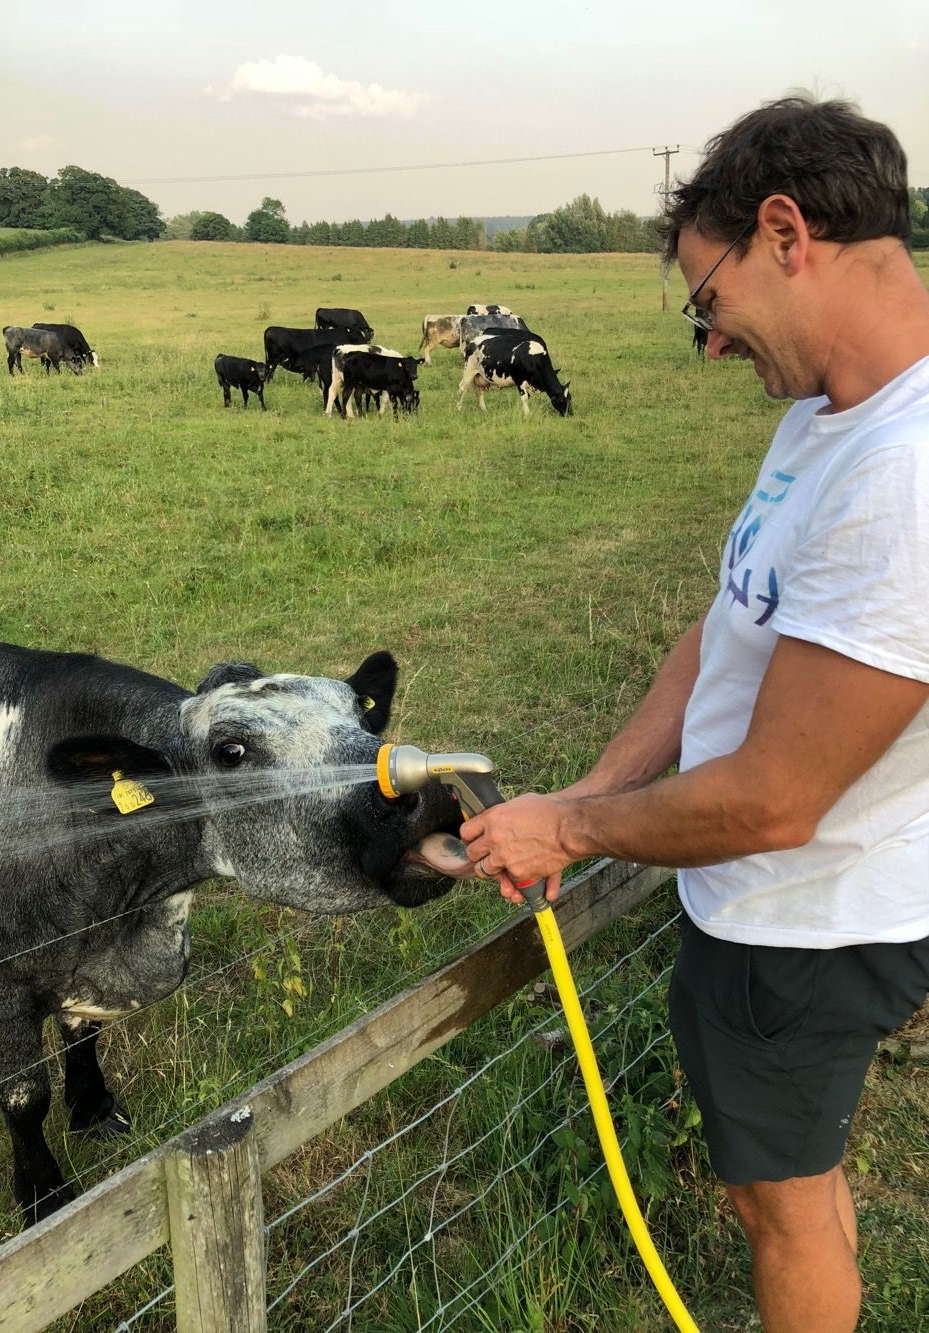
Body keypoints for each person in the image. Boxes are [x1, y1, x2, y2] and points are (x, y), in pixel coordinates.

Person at [460, 96, 929, 1333]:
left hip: (805, 926)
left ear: (785, 234)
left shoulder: (906, 475)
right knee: (792, 1183)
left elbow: (775, 798)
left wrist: (569, 835)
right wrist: (576, 800)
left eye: (703, 300)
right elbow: (723, 626)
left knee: (782, 1208)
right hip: (777, 909)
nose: (708, 342)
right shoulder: (825, 418)